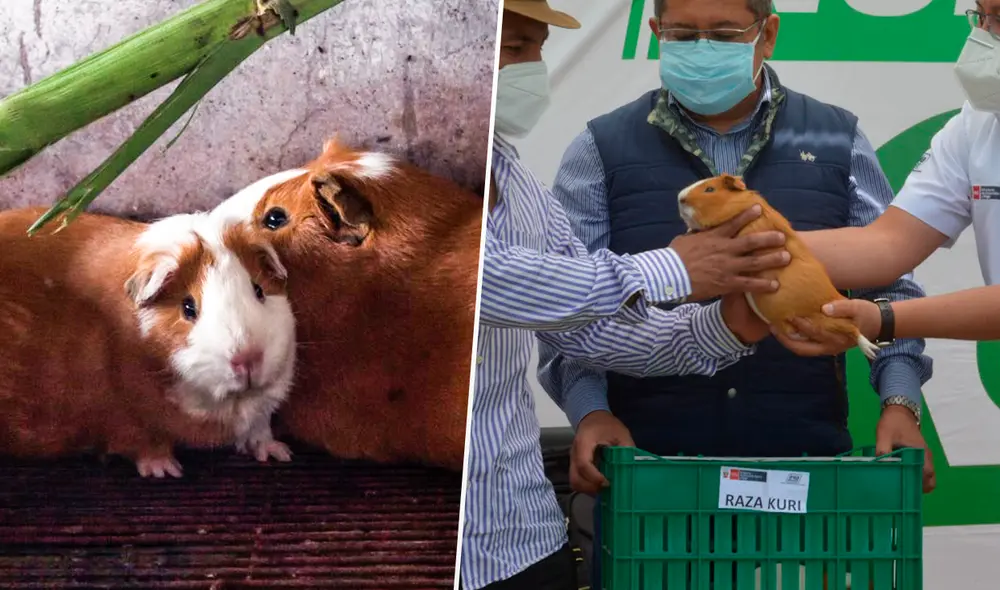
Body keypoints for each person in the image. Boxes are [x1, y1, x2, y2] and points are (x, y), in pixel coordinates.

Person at [537, 0, 937, 581]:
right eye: (681, 34)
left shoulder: (837, 139)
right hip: (650, 472)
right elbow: (572, 307)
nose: (701, 49)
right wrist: (590, 410)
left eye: (723, 34)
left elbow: (893, 288)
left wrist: (900, 400)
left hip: (805, 470)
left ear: (767, 34)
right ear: (654, 34)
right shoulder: (599, 150)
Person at [463, 1, 798, 588]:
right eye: (513, 50)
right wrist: (670, 269)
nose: (531, 69)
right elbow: (475, 277)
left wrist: (730, 322)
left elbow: (594, 331)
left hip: (522, 534)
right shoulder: (385, 167)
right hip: (420, 541)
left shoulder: (516, 184)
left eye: (537, 48)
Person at [773, 2, 1000, 348]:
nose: (981, 34)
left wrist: (884, 319)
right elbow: (887, 244)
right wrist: (746, 250)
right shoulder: (978, 123)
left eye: (999, 17)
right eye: (981, 14)